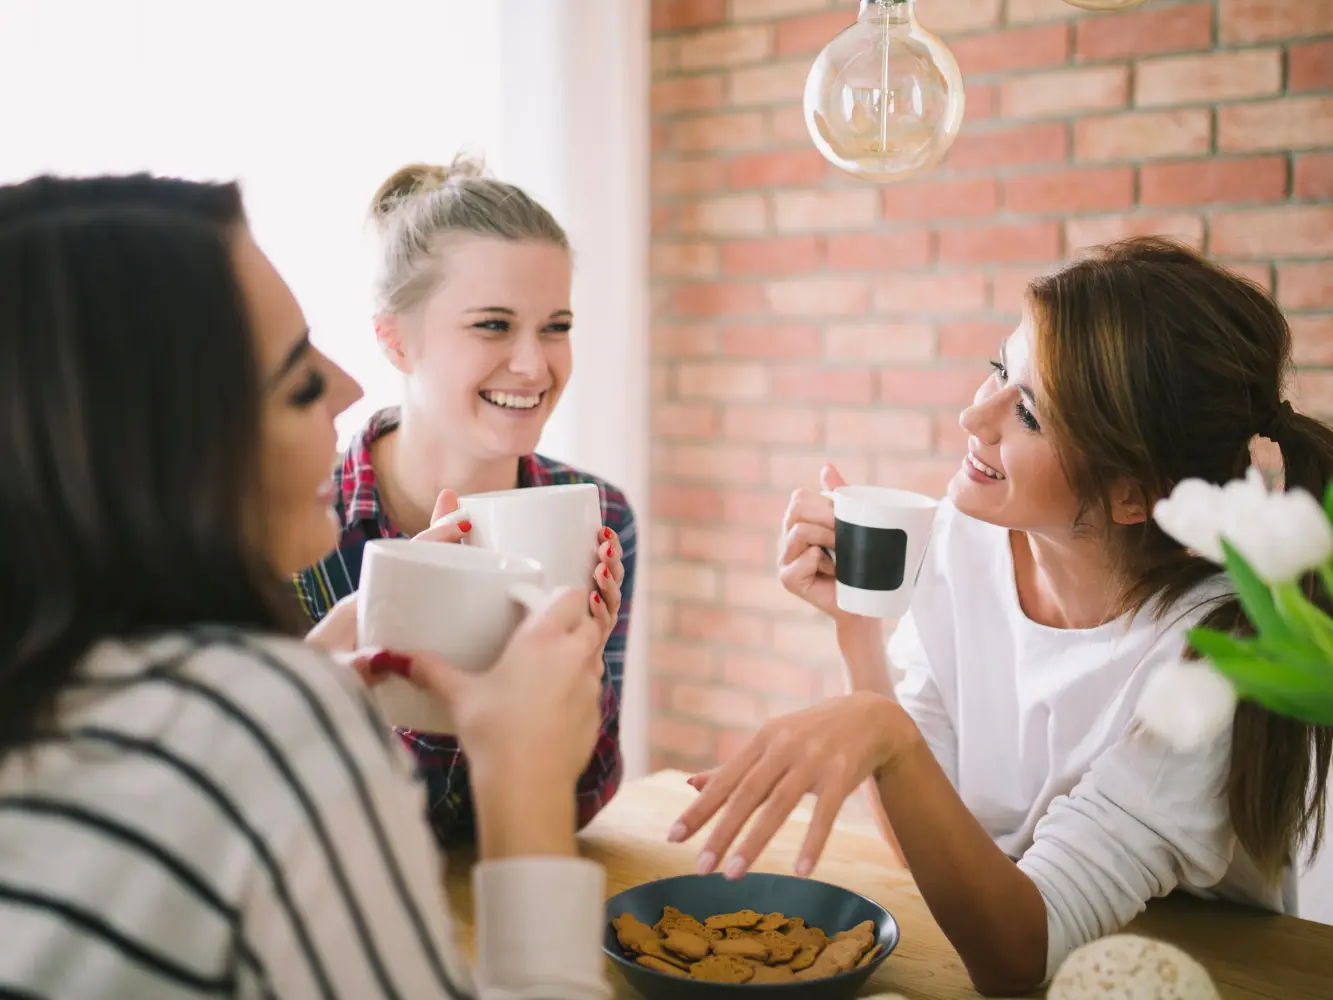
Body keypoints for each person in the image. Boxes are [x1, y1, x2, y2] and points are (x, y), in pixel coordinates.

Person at [667, 238, 1333, 996]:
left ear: (1129, 492)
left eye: (1027, 411)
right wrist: (859, 625)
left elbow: (1020, 958)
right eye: (997, 371)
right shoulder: (966, 542)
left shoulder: (1217, 659)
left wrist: (880, 731)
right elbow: (924, 843)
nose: (972, 415)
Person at [0, 173, 611, 999]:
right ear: (167, 450)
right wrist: (522, 777)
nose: (348, 390)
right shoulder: (261, 721)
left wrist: (321, 672)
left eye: (557, 325)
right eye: (294, 379)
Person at [295, 157, 636, 844]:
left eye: (555, 326)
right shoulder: (296, 523)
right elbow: (279, 812)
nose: (534, 365)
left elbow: (583, 799)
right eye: (491, 325)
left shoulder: (599, 514)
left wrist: (574, 687)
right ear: (395, 339)